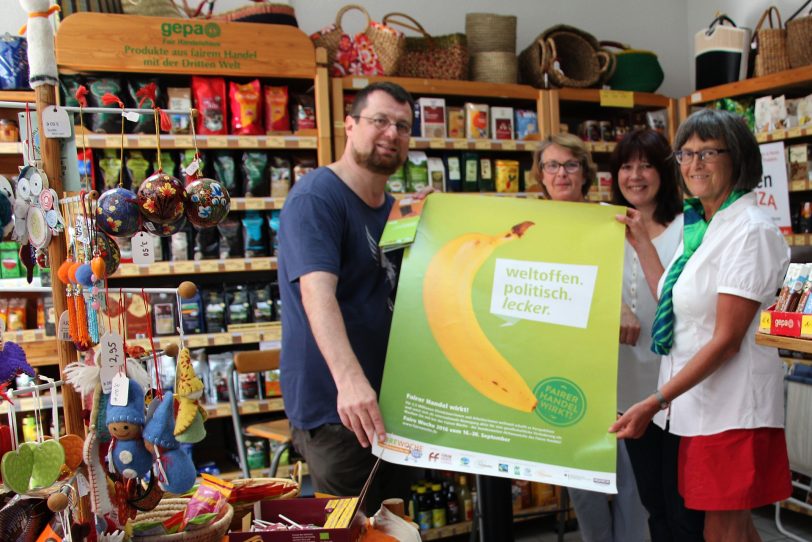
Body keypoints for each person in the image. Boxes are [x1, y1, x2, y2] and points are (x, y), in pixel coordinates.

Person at [611, 108, 792, 542]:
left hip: (732, 410)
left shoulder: (749, 231)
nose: (694, 165)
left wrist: (655, 400)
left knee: (719, 529)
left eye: (708, 153)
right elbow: (676, 303)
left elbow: (727, 341)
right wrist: (641, 245)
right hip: (699, 407)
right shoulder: (704, 227)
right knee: (731, 527)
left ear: (739, 159)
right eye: (686, 155)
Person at [277, 82, 415, 505]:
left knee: (392, 526)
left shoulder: (390, 207)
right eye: (380, 120)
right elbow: (317, 294)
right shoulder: (318, 197)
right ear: (350, 125)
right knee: (352, 529)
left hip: (387, 404)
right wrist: (351, 381)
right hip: (341, 409)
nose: (392, 133)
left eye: (403, 126)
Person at [533, 133, 648, 542]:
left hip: (619, 365)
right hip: (562, 368)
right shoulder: (531, 225)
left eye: (570, 165)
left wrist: (616, 305)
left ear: (585, 172)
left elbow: (637, 278)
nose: (560, 173)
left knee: (630, 473)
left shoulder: (610, 218)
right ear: (540, 176)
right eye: (551, 166)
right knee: (580, 474)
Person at [610, 129, 705, 542]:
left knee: (684, 505)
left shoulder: (689, 229)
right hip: (629, 390)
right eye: (626, 166)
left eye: (646, 164)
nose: (635, 175)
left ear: (665, 171)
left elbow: (683, 304)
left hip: (678, 391)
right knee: (654, 504)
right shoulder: (606, 230)